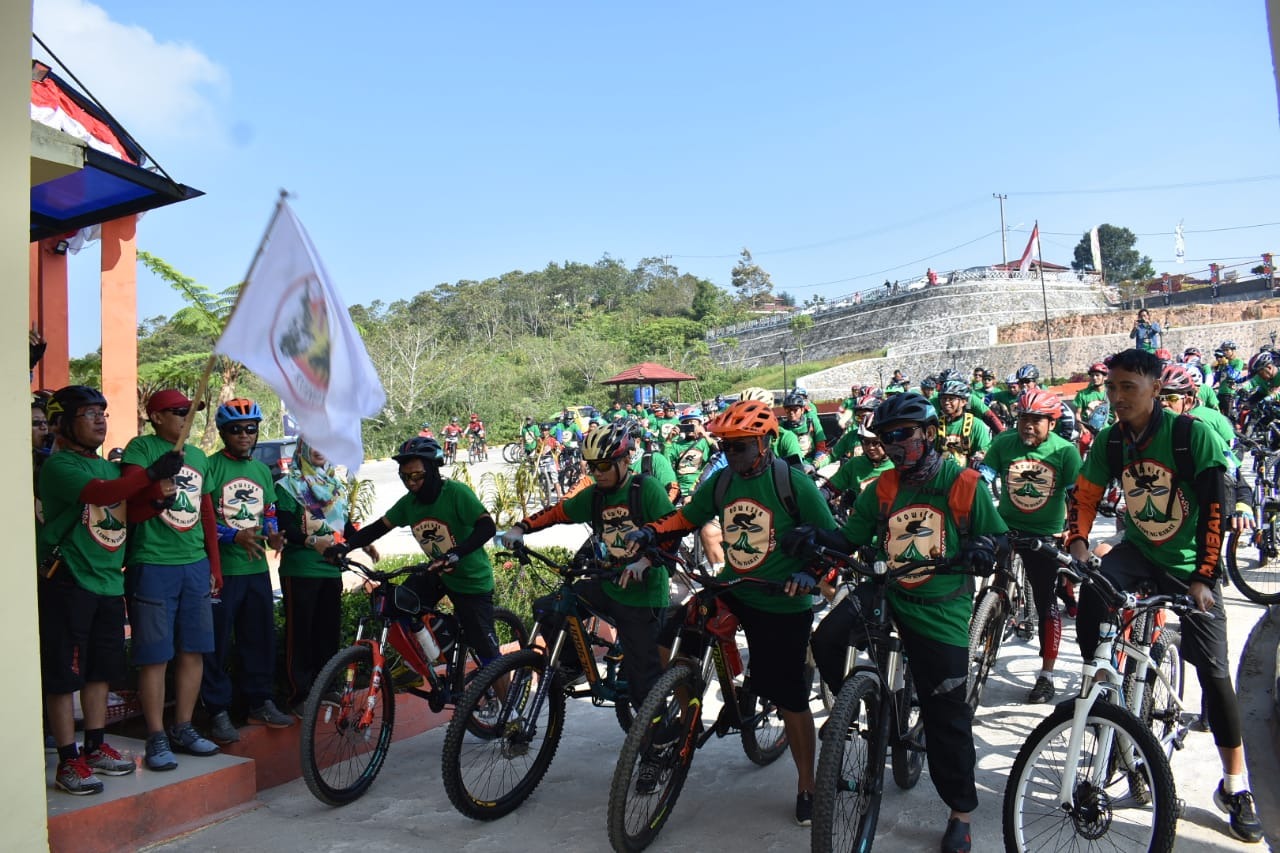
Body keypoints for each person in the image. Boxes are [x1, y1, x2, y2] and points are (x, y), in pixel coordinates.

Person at [1066, 348, 1263, 844]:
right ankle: (1102, 689)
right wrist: (1078, 540)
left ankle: (1236, 783)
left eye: (1128, 386)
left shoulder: (1188, 434)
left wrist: (1203, 575)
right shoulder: (1110, 441)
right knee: (1092, 591)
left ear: (1156, 389)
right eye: (1111, 387)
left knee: (1214, 673)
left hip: (1190, 564)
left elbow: (1217, 503)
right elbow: (1086, 494)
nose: (1117, 397)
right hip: (1140, 552)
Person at [796, 392, 1006, 853]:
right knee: (827, 638)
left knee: (946, 713)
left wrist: (984, 549)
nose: (892, 445)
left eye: (901, 436)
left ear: (929, 434)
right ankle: (867, 705)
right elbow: (849, 537)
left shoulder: (963, 482)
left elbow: (996, 535)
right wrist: (814, 536)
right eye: (884, 438)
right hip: (888, 590)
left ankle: (960, 813)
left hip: (941, 607)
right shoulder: (884, 487)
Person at [627, 399, 837, 827]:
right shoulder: (721, 482)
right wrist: (651, 531)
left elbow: (832, 543)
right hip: (738, 586)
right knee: (677, 629)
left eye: (739, 447)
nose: (731, 455)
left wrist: (807, 572)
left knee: (791, 694)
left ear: (763, 442)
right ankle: (680, 713)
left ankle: (807, 784)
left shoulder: (794, 484)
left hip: (782, 597)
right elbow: (686, 518)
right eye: (725, 447)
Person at [39, 386, 180, 794]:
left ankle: (96, 746)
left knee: (101, 670)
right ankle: (68, 759)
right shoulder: (59, 466)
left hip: (107, 580)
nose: (100, 419)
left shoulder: (109, 467)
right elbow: (102, 495)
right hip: (69, 580)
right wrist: (149, 473)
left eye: (103, 412)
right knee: (65, 675)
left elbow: (126, 510)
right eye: (88, 413)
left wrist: (155, 498)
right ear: (63, 423)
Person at [502, 423, 674, 720]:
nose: (599, 472)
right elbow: (559, 511)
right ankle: (573, 667)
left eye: (605, 465)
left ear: (624, 461)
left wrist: (645, 561)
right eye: (593, 466)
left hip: (643, 593)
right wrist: (521, 528)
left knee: (643, 686)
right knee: (549, 609)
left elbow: (672, 529)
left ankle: (658, 746)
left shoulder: (645, 489)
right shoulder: (595, 495)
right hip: (608, 583)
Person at [329, 437, 502, 685]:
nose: (411, 483)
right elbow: (378, 528)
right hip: (437, 573)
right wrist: (345, 546)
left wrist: (456, 553)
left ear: (433, 471)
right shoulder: (409, 503)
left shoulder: (455, 494)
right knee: (396, 604)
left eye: (417, 476)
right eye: (405, 477)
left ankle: (512, 718)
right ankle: (418, 664)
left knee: (489, 657)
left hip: (471, 580)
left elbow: (487, 526)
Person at [121, 389, 224, 765]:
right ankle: (155, 735)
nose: (187, 417)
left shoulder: (197, 456)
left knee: (193, 649)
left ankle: (183, 725)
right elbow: (128, 498)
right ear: (157, 416)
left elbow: (207, 513)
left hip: (194, 563)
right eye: (179, 411)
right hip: (152, 563)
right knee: (155, 654)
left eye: (191, 411)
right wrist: (152, 486)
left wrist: (214, 566)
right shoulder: (141, 449)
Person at [982, 389, 1082, 702]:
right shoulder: (1003, 443)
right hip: (1006, 528)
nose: (1028, 424)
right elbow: (982, 481)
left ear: (1051, 423)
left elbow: (1077, 498)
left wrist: (1074, 534)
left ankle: (1047, 674)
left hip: (1045, 536)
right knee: (984, 579)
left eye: (1036, 419)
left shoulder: (1065, 452)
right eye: (1024, 417)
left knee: (1045, 601)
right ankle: (980, 635)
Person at [202, 399, 295, 731]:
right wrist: (232, 537)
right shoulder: (211, 467)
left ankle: (259, 701)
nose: (244, 435)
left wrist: (274, 536)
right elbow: (202, 519)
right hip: (222, 573)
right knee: (215, 644)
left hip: (257, 571)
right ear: (224, 432)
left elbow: (268, 511)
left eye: (250, 429)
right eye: (236, 429)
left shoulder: (260, 470)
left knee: (259, 639)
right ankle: (217, 711)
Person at [277, 438, 376, 716]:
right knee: (302, 634)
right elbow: (285, 527)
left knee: (327, 631)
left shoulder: (334, 485)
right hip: (301, 570)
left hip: (331, 569)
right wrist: (311, 542)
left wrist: (362, 542)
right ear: (302, 449)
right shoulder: (288, 486)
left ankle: (326, 687)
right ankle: (300, 695)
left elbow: (342, 525)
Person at [936, 379, 992, 468]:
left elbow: (984, 451)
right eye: (943, 398)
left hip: (966, 475)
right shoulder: (936, 424)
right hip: (941, 475)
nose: (946, 402)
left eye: (951, 399)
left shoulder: (976, 425)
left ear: (963, 401)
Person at [664, 409, 715, 502]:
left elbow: (718, 453)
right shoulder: (676, 445)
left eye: (693, 423)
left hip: (699, 489)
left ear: (700, 425)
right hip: (680, 491)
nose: (690, 426)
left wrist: (704, 434)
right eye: (687, 424)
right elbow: (665, 463)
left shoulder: (704, 443)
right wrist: (669, 439)